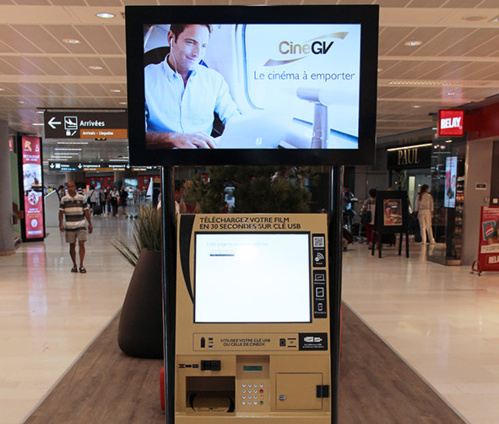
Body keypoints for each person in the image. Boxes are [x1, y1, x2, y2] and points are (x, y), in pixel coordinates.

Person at [144, 24, 240, 149]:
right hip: (161, 159)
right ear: (171, 38)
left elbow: (233, 119)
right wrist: (172, 138)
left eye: (203, 46)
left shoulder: (214, 80)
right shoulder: (146, 77)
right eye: (190, 42)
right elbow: (137, 135)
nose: (197, 53)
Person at [59, 181, 93, 273]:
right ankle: (74, 264)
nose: (70, 188)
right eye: (68, 187)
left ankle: (81, 265)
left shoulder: (82, 198)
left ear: (75, 187)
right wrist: (61, 224)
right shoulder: (64, 199)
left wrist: (89, 223)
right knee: (72, 245)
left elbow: (86, 212)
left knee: (81, 244)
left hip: (80, 224)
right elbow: (61, 213)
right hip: (69, 225)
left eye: (72, 186)